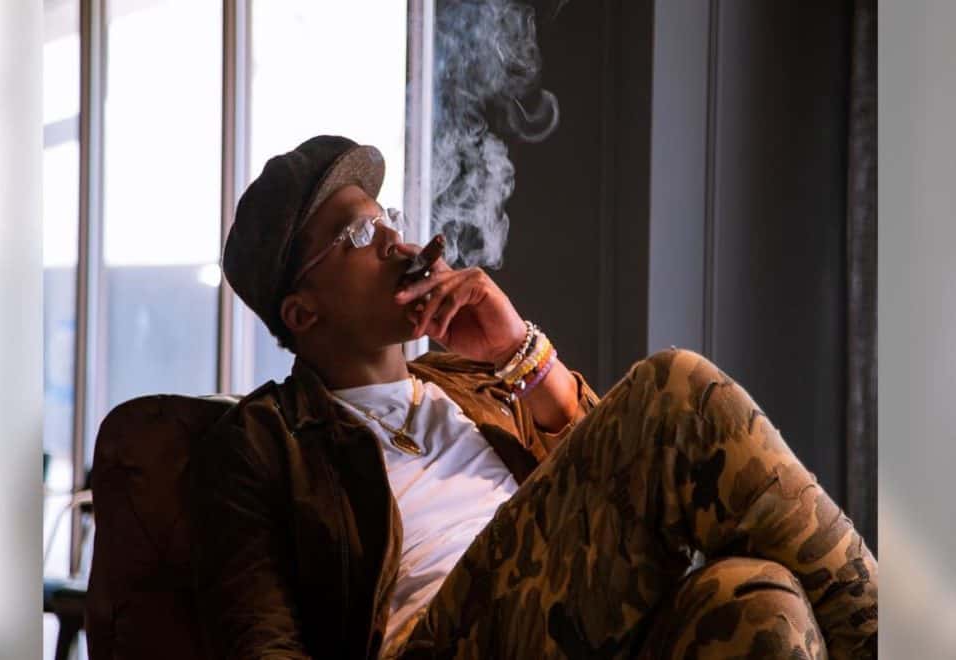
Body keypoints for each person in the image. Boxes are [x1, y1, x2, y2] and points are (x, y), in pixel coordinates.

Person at [190, 135, 877, 659]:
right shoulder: (260, 442)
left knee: (760, 605)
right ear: (303, 312)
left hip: (572, 628)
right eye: (361, 234)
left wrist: (518, 351)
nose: (398, 240)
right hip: (439, 642)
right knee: (678, 387)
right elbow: (262, 644)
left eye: (388, 217)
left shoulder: (466, 383)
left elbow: (625, 490)